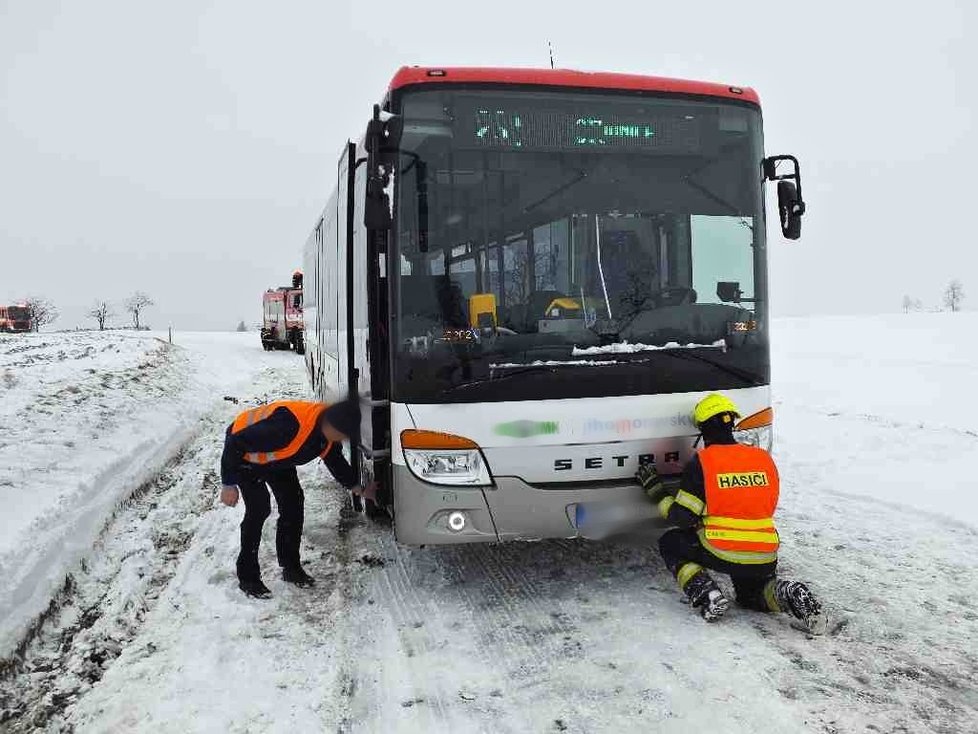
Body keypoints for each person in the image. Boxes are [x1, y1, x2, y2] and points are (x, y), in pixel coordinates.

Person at [636, 393, 826, 633]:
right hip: (764, 554)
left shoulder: (703, 462)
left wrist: (655, 490)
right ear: (732, 424)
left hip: (720, 550)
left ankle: (707, 594)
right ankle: (788, 594)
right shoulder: (762, 459)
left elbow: (683, 518)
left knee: (670, 542)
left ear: (702, 429)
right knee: (752, 595)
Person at [220, 399, 375, 598]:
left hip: (276, 460)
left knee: (293, 504)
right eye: (342, 435)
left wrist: (360, 489)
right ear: (331, 425)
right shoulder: (288, 425)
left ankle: (291, 568)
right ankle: (248, 578)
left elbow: (337, 463)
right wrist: (228, 484)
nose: (343, 439)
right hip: (245, 458)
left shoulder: (326, 436)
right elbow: (235, 442)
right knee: (259, 509)